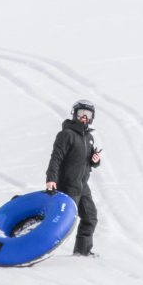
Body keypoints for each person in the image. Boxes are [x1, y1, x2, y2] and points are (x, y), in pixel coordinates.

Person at [45, 99, 102, 257]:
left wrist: (94, 160)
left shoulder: (89, 137)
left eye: (87, 114)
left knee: (90, 217)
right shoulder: (66, 134)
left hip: (83, 186)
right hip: (68, 185)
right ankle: (41, 248)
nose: (84, 117)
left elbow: (86, 162)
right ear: (74, 114)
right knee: (61, 222)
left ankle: (82, 252)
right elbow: (56, 158)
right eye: (81, 113)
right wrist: (51, 179)